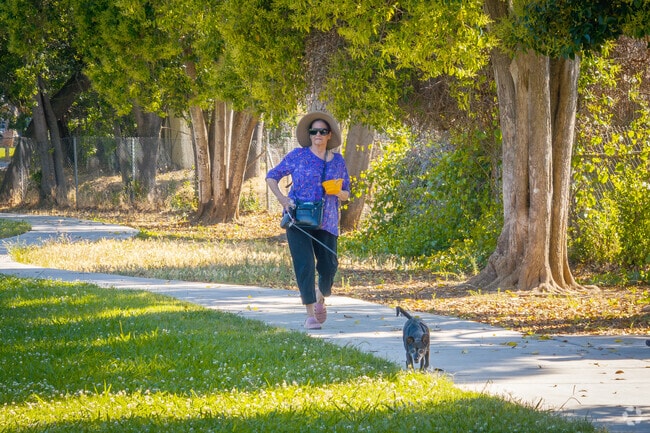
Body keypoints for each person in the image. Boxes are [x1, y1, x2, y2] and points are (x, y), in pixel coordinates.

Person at [266, 111, 351, 330]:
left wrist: (338, 192)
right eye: (314, 131)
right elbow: (271, 176)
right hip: (299, 219)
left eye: (323, 131)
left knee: (330, 266)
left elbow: (347, 193)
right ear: (310, 134)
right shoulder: (297, 155)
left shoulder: (338, 161)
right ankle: (310, 314)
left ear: (329, 135)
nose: (318, 135)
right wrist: (283, 200)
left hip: (328, 220)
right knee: (304, 266)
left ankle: (320, 298)